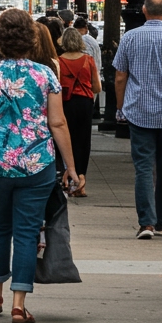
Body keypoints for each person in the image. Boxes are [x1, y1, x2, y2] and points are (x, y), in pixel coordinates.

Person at [0, 9, 78, 323]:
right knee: (28, 232)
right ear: (31, 38)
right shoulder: (45, 74)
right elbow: (58, 122)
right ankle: (19, 304)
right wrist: (71, 167)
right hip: (37, 162)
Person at [113, 0, 162, 238]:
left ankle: (146, 223)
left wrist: (121, 107)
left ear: (144, 10)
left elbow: (120, 77)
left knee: (144, 168)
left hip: (139, 112)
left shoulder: (130, 38)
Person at [57, 27, 100, 197]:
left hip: (65, 103)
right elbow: (97, 87)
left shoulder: (58, 62)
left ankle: (66, 178)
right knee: (83, 141)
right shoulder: (88, 60)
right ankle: (81, 181)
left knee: (65, 140)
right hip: (84, 104)